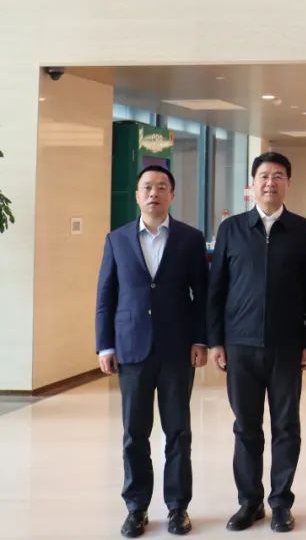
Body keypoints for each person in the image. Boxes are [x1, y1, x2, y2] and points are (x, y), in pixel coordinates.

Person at [207, 152, 306, 533]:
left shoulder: (303, 231)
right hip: (240, 346)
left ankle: (281, 502)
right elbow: (216, 289)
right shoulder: (232, 230)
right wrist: (216, 340)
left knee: (286, 426)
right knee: (246, 427)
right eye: (264, 176)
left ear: (288, 183)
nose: (270, 183)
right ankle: (250, 502)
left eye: (278, 176)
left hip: (287, 346)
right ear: (252, 184)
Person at [95, 165, 208, 537]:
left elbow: (202, 295)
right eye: (147, 187)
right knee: (135, 433)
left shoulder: (190, 239)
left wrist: (200, 339)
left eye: (161, 187)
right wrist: (105, 345)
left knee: (178, 431)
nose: (153, 193)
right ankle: (136, 507)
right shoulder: (117, 239)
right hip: (132, 348)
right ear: (137, 195)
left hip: (177, 349)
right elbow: (106, 297)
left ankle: (177, 507)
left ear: (172, 194)